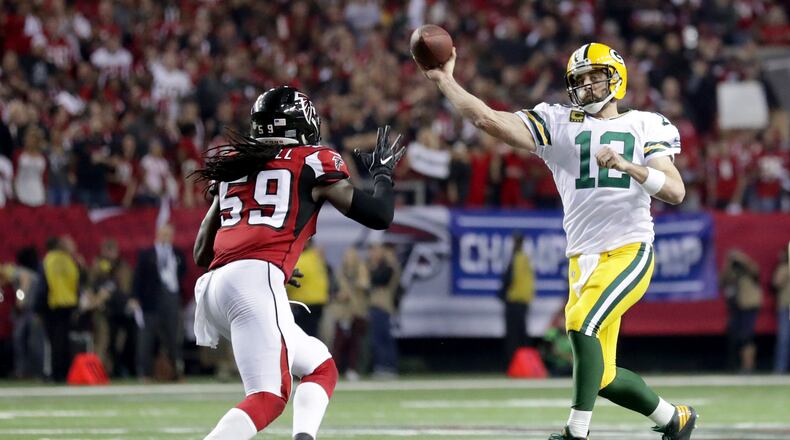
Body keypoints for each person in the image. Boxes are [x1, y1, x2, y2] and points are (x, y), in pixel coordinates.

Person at [419, 42, 696, 439]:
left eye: (594, 76)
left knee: (579, 323)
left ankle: (575, 433)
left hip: (628, 249)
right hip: (582, 258)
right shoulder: (558, 121)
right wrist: (445, 81)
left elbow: (675, 191)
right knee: (602, 376)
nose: (586, 85)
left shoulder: (647, 124)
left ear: (616, 78)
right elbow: (486, 119)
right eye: (578, 80)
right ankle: (675, 419)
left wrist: (626, 165)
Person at [191, 86, 405, 440]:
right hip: (253, 283)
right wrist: (382, 174)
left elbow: (202, 251)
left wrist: (271, 268)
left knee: (319, 365)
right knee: (268, 397)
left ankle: (304, 437)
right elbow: (379, 215)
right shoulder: (312, 160)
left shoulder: (234, 162)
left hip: (216, 287)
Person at [133, 223, 187, 381]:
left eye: (169, 235)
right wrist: (135, 297)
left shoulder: (177, 254)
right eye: (164, 234)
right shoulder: (147, 254)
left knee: (174, 337)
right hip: (151, 301)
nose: (166, 238)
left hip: (171, 299)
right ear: (157, 234)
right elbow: (138, 277)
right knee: (147, 338)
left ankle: (177, 372)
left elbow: (182, 273)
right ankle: (145, 373)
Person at [721, 250, 763, 373]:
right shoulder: (733, 272)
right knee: (737, 337)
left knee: (747, 337)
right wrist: (728, 263)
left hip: (749, 306)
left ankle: (748, 366)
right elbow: (722, 280)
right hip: (736, 308)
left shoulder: (750, 271)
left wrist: (742, 258)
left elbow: (755, 270)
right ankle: (739, 366)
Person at [499, 231, 535, 365]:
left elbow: (508, 279)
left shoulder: (516, 259)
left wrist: (501, 295)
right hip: (524, 301)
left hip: (514, 300)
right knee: (523, 333)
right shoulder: (527, 259)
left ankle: (514, 364)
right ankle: (525, 364)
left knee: (513, 335)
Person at [367, 241, 402, 378]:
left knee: (382, 338)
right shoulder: (383, 267)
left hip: (383, 306)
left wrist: (373, 266)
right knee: (380, 338)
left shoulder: (388, 268)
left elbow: (378, 279)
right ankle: (384, 366)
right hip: (378, 306)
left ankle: (387, 367)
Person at [286, 240, 331, 339]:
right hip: (318, 302)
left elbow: (289, 281)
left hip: (305, 304)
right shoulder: (315, 257)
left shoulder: (301, 260)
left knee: (303, 336)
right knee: (313, 335)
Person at [773, 246, 790, 374]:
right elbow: (776, 283)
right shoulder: (784, 268)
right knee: (784, 338)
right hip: (786, 306)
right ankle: (780, 368)